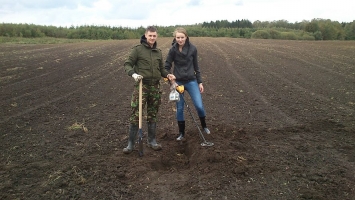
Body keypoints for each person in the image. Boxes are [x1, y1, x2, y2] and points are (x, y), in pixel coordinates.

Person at [123, 26, 175, 154]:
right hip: (142, 86)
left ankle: (151, 141)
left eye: (154, 36)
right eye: (150, 35)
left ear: (156, 37)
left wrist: (167, 75)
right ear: (146, 35)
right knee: (136, 114)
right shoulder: (138, 50)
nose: (152, 38)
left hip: (155, 87)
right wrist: (133, 74)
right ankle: (130, 144)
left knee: (152, 114)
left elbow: (161, 69)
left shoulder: (158, 52)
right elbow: (128, 64)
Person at [165, 27, 210, 141]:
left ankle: (204, 126)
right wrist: (171, 79)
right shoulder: (173, 50)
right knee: (179, 108)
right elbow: (166, 67)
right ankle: (181, 133)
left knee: (199, 105)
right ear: (175, 38)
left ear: (186, 37)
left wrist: (200, 82)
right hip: (178, 82)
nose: (180, 40)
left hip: (191, 81)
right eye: (178, 37)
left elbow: (196, 67)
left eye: (182, 37)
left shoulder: (193, 49)